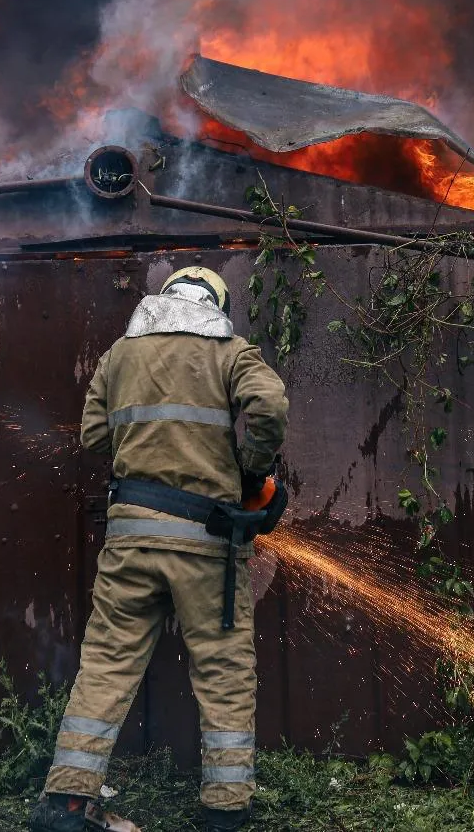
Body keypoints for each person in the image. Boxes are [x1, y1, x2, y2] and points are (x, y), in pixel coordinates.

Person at [29, 267, 289, 832]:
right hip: (207, 547)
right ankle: (224, 810)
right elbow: (269, 405)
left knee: (106, 664)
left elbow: (94, 438)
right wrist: (254, 471)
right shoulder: (232, 351)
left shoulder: (119, 355)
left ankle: (67, 801)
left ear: (162, 301)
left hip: (130, 545)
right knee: (223, 671)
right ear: (216, 306)